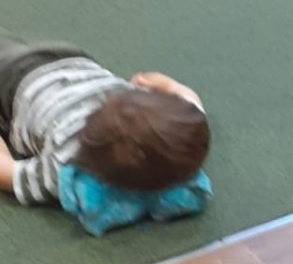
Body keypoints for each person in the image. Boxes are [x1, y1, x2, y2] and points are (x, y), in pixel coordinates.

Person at [0, 28, 210, 209]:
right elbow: (10, 173)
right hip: (12, 83)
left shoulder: (187, 121)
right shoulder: (64, 162)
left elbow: (188, 98)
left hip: (73, 60)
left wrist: (163, 84)